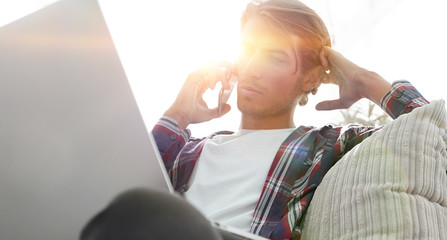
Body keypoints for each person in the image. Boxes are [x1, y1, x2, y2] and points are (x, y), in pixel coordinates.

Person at [81, 0, 429, 239]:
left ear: (310, 79)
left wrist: (367, 81)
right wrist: (178, 115)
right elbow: (110, 198)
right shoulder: (188, 150)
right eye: (247, 50)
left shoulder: (328, 144)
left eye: (275, 57)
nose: (252, 68)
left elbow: (432, 138)